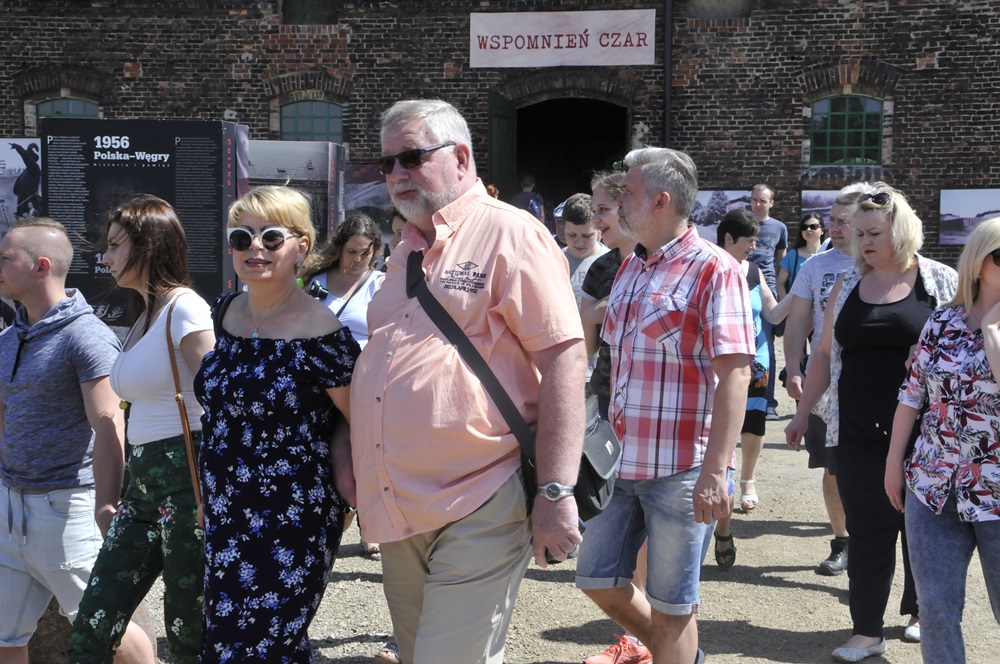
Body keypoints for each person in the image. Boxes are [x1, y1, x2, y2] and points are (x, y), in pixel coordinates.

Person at [352, 99, 586, 664]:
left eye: (412, 157)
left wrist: (556, 491)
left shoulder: (511, 233)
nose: (396, 174)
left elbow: (564, 360)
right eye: (386, 163)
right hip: (401, 507)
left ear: (460, 158)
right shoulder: (404, 250)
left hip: (482, 493)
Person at [575, 147, 754, 664]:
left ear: (661, 200)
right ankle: (680, 656)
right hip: (618, 461)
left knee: (673, 605)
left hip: (682, 468)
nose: (617, 204)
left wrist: (715, 472)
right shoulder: (631, 265)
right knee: (596, 576)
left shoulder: (715, 269)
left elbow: (736, 374)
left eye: (627, 193)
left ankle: (675, 652)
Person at [786, 184, 957, 662]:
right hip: (856, 428)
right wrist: (802, 412)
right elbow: (824, 355)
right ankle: (866, 631)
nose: (863, 241)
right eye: (859, 233)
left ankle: (920, 612)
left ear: (900, 231)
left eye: (873, 233)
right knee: (866, 527)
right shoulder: (846, 284)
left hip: (929, 432)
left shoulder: (939, 281)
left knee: (922, 528)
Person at [194, 185, 359, 662]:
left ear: (301, 246)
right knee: (223, 637)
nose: (255, 248)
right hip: (225, 505)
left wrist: (352, 490)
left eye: (270, 237)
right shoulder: (225, 311)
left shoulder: (323, 333)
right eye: (241, 237)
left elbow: (360, 419)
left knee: (268, 644)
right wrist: (206, 495)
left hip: (293, 512)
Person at [68, 195, 215, 663]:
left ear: (148, 246)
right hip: (144, 487)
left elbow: (222, 399)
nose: (105, 258)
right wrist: (111, 497)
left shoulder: (185, 308)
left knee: (188, 629)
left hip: (187, 481)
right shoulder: (146, 314)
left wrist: (215, 491)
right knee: (92, 623)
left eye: (114, 246)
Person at [0, 219, 151, 664]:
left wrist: (106, 503)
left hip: (66, 509)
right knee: (5, 634)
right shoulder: (9, 338)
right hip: (10, 507)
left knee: (105, 626)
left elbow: (109, 422)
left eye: (5, 258)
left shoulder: (86, 336)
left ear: (41, 266)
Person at [886, 216, 1000, 664]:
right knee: (936, 612)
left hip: (995, 492)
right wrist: (894, 463)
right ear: (978, 262)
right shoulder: (941, 321)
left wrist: (991, 331)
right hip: (932, 486)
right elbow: (911, 396)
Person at [783, 187, 869, 577]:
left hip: (871, 384)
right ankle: (843, 542)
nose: (834, 227)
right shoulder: (816, 266)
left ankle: (876, 544)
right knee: (833, 468)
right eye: (830, 220)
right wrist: (794, 368)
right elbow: (798, 322)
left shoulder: (883, 264)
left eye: (842, 221)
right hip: (825, 386)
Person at [712, 209, 791, 567]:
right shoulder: (710, 269)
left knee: (753, 427)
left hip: (757, 363)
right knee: (722, 430)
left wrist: (800, 291)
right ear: (729, 239)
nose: (755, 247)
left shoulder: (755, 270)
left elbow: (772, 314)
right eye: (750, 241)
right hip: (721, 365)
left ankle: (747, 480)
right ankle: (721, 496)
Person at [299, 209, 384, 350]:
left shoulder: (380, 284)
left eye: (365, 253)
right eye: (351, 252)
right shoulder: (315, 280)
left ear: (375, 251)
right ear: (339, 248)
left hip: (361, 362)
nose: (357, 259)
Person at [748, 183, 788, 420]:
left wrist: (780, 292)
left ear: (771, 203)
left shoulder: (779, 227)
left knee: (766, 347)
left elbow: (781, 260)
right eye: (755, 199)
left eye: (762, 200)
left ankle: (768, 402)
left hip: (768, 289)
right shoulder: (743, 223)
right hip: (742, 284)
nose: (757, 204)